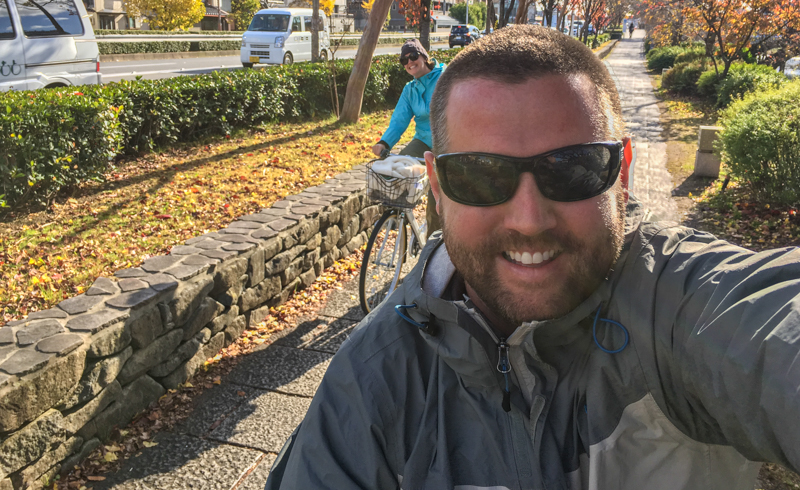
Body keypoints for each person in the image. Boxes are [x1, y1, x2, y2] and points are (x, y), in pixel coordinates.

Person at [266, 26, 800, 490]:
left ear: (623, 172)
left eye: (573, 168)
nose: (528, 218)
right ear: (436, 183)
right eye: (478, 174)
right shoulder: (369, 380)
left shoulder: (686, 310)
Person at [370, 38, 445, 234]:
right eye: (404, 60)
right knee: (396, 169)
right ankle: (399, 218)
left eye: (413, 56)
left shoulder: (445, 78)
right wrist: (384, 142)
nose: (409, 62)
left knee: (437, 196)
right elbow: (399, 120)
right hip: (423, 140)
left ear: (424, 56)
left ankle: (433, 243)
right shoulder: (409, 89)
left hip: (447, 140)